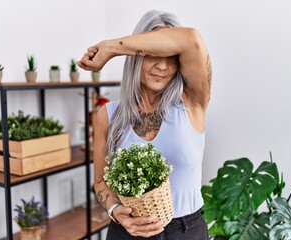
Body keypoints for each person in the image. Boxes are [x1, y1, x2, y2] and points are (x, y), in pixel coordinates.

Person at [78, 9, 211, 240]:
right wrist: (115, 211)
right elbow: (100, 182)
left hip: (186, 232)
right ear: (137, 55)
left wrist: (110, 48)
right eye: (152, 54)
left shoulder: (192, 102)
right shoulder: (108, 115)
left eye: (171, 57)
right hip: (127, 232)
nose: (163, 66)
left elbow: (192, 40)